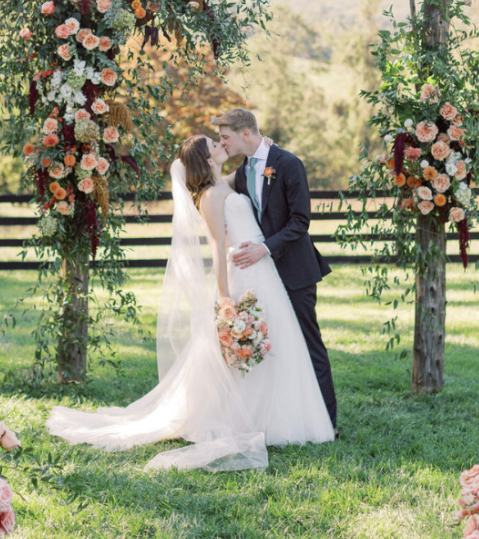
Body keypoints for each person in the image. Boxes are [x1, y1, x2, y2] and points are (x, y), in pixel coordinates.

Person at [47, 132, 334, 470]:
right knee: (249, 345)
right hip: (242, 275)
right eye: (214, 144)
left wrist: (264, 148)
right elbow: (217, 249)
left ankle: (284, 415)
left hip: (265, 272)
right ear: (207, 157)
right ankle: (253, 416)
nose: (220, 145)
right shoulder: (211, 196)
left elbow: (254, 169)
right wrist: (226, 298)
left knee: (280, 344)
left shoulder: (227, 181)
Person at [211, 108, 338, 433]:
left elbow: (300, 221)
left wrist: (264, 247)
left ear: (246, 134)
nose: (222, 142)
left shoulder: (288, 164)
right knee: (278, 344)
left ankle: (326, 422)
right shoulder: (242, 171)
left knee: (309, 344)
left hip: (294, 270)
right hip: (260, 277)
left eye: (226, 137)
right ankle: (288, 417)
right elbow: (217, 194)